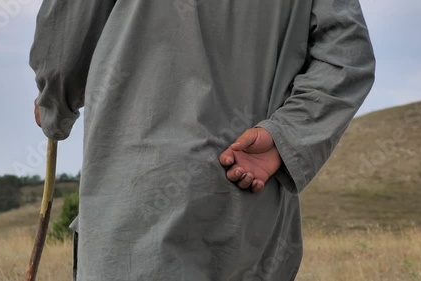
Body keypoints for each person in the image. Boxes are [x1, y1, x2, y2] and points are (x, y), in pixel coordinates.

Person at [31, 0, 375, 280]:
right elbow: (347, 58)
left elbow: (63, 50)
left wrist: (53, 106)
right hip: (254, 222)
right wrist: (285, 135)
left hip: (137, 211)